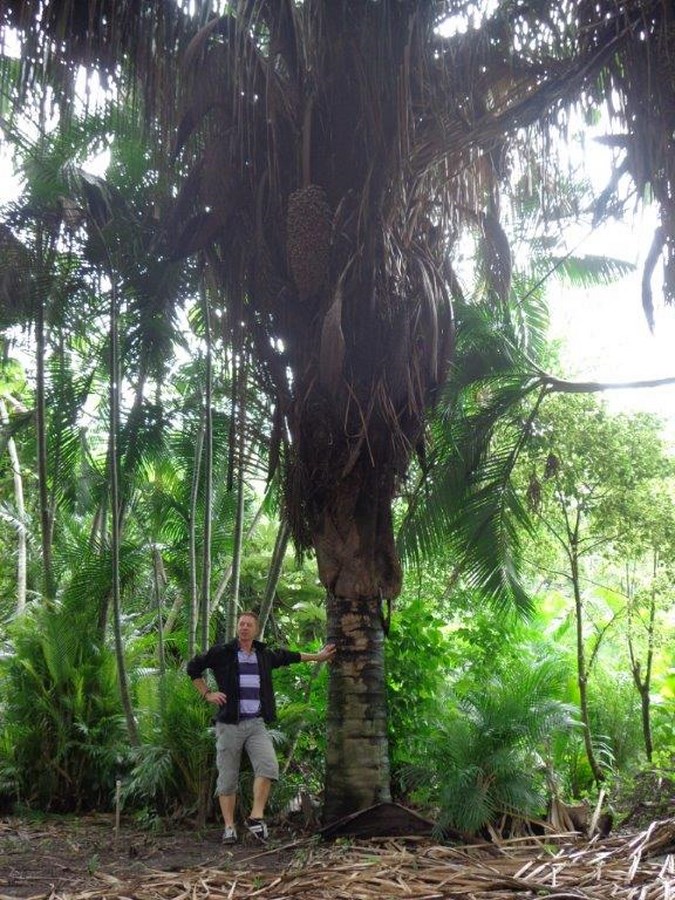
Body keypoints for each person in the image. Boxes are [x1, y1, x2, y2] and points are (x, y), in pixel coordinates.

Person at [187, 610, 336, 844]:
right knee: (227, 778)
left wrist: (318, 657)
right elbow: (193, 668)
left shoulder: (264, 654)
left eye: (249, 625)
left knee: (268, 766)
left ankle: (256, 818)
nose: (244, 627)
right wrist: (207, 693)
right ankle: (229, 828)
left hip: (256, 723)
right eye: (241, 624)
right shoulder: (222, 653)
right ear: (237, 628)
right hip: (229, 725)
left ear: (256, 630)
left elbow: (290, 656)